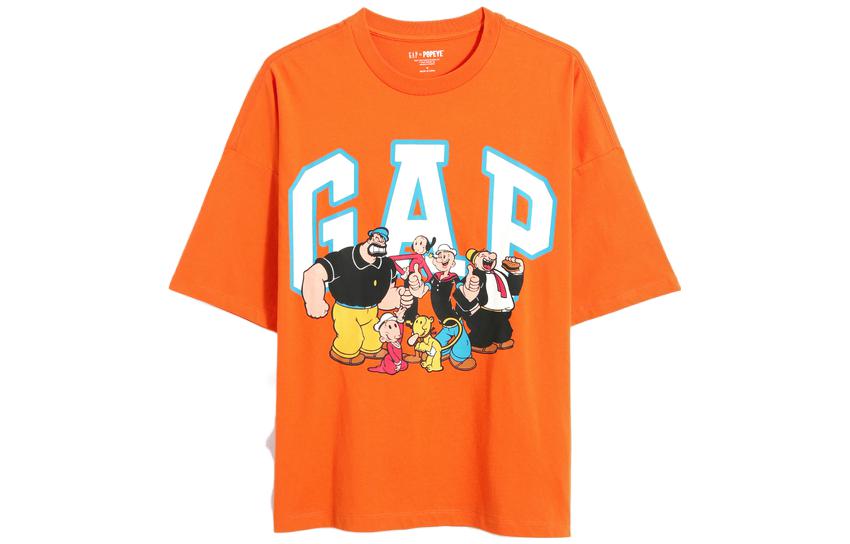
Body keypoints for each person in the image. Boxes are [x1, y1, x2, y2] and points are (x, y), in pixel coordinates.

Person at [301, 227, 426, 365]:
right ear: (370, 238)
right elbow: (314, 273)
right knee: (351, 336)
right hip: (346, 311)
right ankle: (344, 353)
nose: (380, 241)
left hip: (372, 311)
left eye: (383, 240)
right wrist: (314, 301)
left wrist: (400, 297)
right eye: (377, 237)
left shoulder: (387, 266)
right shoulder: (344, 257)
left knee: (373, 334)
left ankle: (371, 349)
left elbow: (386, 296)